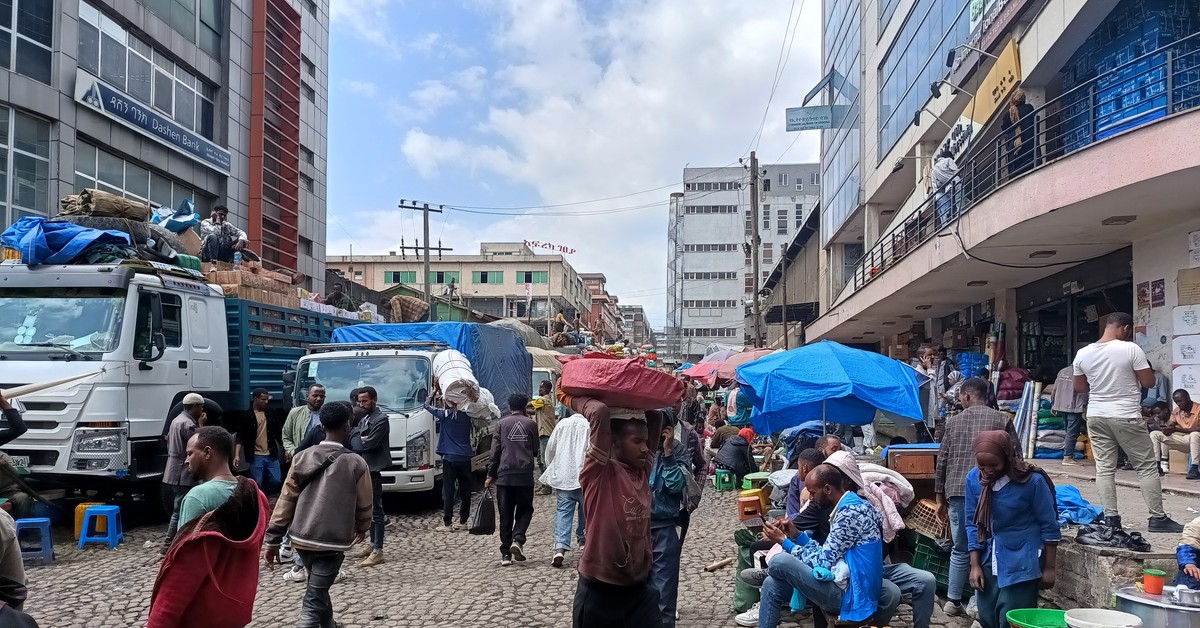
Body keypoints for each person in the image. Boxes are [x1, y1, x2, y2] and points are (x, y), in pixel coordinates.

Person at [263, 401, 372, 628]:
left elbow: (285, 501)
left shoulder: (301, 458)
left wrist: (273, 540)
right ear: (348, 426)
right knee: (313, 600)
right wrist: (362, 527)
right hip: (332, 543)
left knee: (317, 589)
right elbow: (365, 504)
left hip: (302, 540)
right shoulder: (356, 463)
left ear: (321, 426)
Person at [1073, 312, 1184, 533]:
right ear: (1125, 328)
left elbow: (1080, 387)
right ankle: (1157, 518)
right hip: (1125, 415)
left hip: (1096, 415)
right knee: (1146, 467)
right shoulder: (1130, 349)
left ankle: (1112, 520)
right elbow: (1149, 381)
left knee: (1104, 469)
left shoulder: (1083, 353)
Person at [149, 426, 268, 627]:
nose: (186, 460)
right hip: (235, 608)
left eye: (189, 453)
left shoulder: (198, 497)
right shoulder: (256, 495)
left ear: (207, 452)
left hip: (201, 613)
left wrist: (158, 622)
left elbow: (186, 569)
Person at [755, 464, 897, 628]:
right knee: (771, 585)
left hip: (851, 595)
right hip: (845, 581)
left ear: (828, 489)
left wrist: (784, 542)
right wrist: (796, 535)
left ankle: (768, 571)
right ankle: (769, 576)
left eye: (813, 493)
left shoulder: (850, 514)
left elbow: (823, 562)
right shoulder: (853, 505)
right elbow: (827, 554)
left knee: (780, 561)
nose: (811, 498)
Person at [566, 395, 664, 628]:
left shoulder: (642, 471)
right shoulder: (599, 474)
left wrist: (635, 398)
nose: (644, 448)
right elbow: (599, 411)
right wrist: (567, 397)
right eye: (636, 441)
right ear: (613, 443)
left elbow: (657, 415)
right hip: (600, 593)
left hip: (640, 590)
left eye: (646, 441)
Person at [935, 377, 1019, 617]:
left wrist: (939, 497)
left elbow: (942, 460)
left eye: (960, 396)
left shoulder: (953, 422)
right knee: (991, 545)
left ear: (967, 396)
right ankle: (982, 603)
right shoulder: (1002, 419)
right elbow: (1016, 457)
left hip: (958, 492)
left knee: (961, 547)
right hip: (996, 491)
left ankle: (952, 601)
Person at [966, 431, 1060, 628]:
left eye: (993, 465)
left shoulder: (1031, 481)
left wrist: (1050, 568)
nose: (987, 471)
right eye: (982, 466)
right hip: (988, 557)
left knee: (1013, 617)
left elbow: (1049, 525)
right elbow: (972, 523)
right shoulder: (974, 480)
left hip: (1023, 560)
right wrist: (974, 565)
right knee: (988, 615)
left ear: (1007, 458)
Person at [485, 393, 539, 566]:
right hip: (524, 476)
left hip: (505, 476)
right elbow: (536, 449)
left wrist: (490, 475)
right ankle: (518, 539)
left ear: (509, 406)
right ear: (525, 406)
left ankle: (506, 553)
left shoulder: (501, 424)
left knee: (505, 513)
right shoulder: (531, 424)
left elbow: (495, 452)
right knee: (525, 510)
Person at [649, 415, 689, 628]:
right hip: (635, 528)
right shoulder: (638, 445)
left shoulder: (677, 449)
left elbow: (677, 486)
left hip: (664, 526)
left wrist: (667, 454)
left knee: (664, 596)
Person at [540, 410, 589, 567]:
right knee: (586, 510)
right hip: (584, 477)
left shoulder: (561, 424)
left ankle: (560, 548)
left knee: (563, 512)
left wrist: (553, 468)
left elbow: (551, 448)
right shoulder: (589, 426)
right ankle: (584, 541)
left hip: (564, 476)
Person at [349, 386, 389, 567]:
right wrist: (359, 438)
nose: (361, 404)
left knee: (376, 511)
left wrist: (360, 439)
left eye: (365, 401)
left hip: (373, 470)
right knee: (366, 508)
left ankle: (378, 550)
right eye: (359, 401)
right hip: (362, 468)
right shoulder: (364, 418)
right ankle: (372, 544)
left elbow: (370, 443)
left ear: (374, 400)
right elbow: (353, 438)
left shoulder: (381, 419)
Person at [160, 393, 205, 550]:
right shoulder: (188, 424)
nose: (202, 410)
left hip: (173, 470)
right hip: (184, 472)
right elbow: (199, 444)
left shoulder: (176, 420)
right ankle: (168, 545)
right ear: (194, 406)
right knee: (179, 510)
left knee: (180, 508)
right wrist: (201, 425)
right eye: (200, 406)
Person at [426, 400, 475, 532]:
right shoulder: (467, 415)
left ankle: (448, 524)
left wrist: (435, 390)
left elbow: (426, 405)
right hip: (465, 457)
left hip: (450, 458)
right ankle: (463, 522)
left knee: (448, 492)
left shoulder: (445, 414)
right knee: (466, 492)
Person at [234, 388, 284, 494]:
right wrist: (237, 455)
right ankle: (259, 499)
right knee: (257, 482)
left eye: (267, 399)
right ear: (255, 399)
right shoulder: (246, 416)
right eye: (263, 399)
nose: (266, 402)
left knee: (276, 480)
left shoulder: (271, 413)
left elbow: (278, 433)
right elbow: (240, 437)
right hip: (256, 455)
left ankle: (263, 495)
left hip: (271, 454)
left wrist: (285, 448)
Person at [1151, 389, 1200, 480]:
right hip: (1184, 440)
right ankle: (1157, 466)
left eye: (1180, 401)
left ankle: (1194, 468)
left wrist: (1178, 429)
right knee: (1155, 434)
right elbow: (1171, 424)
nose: (1178, 404)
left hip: (1197, 441)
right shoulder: (1177, 411)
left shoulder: (1198, 409)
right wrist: (1167, 429)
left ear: (1188, 398)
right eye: (1176, 402)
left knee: (1195, 434)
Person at [0, 391, 30, 518]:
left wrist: (2, 401)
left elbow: (19, 428)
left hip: (5, 490)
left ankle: (21, 534)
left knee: (22, 498)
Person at [1051, 365, 1088, 466]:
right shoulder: (1081, 374)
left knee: (1068, 430)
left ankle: (1068, 454)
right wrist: (1086, 404)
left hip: (1061, 404)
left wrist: (1053, 403)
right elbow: (1083, 391)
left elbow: (1055, 388)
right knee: (1072, 432)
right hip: (1074, 406)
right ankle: (1068, 457)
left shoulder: (1062, 371)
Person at [283, 385, 326, 460]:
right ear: (307, 396)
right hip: (300, 458)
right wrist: (293, 452)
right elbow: (286, 436)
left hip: (321, 459)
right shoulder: (295, 412)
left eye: (322, 396)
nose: (319, 399)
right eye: (315, 395)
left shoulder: (328, 414)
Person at [1002, 88, 1036, 178]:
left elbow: (1005, 129)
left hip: (1016, 149)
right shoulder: (1029, 108)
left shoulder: (1008, 114)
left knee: (1017, 175)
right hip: (1030, 146)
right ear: (1023, 99)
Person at [534, 380, 558, 493]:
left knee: (545, 460)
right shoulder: (541, 402)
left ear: (547, 390)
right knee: (539, 460)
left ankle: (548, 486)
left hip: (546, 434)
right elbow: (532, 411)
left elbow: (529, 405)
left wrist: (521, 404)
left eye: (541, 388)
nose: (539, 390)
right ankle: (544, 484)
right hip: (541, 434)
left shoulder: (544, 400)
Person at [932, 148, 959, 227]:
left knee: (944, 214)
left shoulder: (934, 169)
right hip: (942, 194)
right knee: (947, 212)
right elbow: (956, 171)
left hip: (937, 196)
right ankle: (947, 226)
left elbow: (937, 183)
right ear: (948, 156)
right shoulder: (948, 161)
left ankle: (945, 227)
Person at [1175, 517, 1200, 589]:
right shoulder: (1197, 524)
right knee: (1190, 573)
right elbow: (1185, 547)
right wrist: (1189, 564)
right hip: (1197, 564)